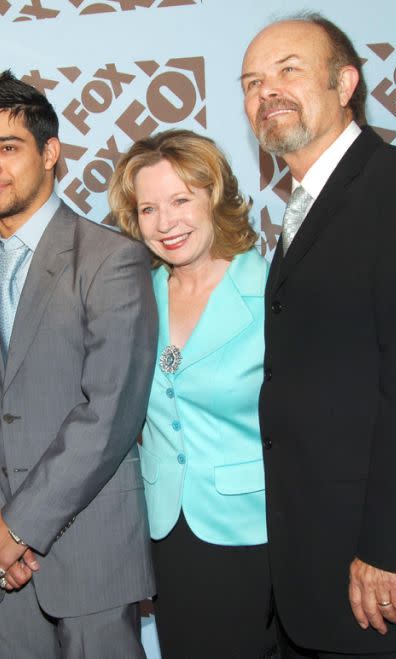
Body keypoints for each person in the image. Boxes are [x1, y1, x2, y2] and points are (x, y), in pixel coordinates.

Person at [240, 13, 396, 658]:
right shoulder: (302, 211)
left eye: (288, 71)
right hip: (313, 575)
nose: (266, 92)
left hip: (383, 581)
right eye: (251, 82)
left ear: (345, 82)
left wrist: (392, 549)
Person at [0, 70, 157, 659]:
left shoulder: (110, 258)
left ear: (51, 153)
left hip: (89, 546)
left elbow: (110, 409)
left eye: (8, 148)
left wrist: (19, 527)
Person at [109, 128, 276, 658]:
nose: (166, 222)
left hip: (255, 529)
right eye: (149, 208)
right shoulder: (137, 295)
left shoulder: (271, 292)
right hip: (165, 534)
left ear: (215, 198)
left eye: (181, 199)